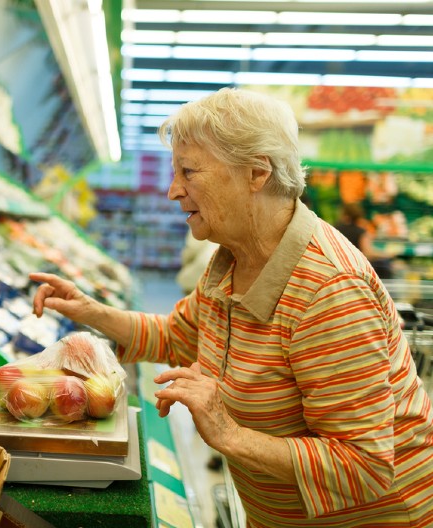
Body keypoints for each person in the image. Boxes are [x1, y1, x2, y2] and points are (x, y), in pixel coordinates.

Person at [29, 88, 433, 527]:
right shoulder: (232, 261)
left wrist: (229, 434)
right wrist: (90, 310)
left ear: (256, 173)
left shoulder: (327, 292)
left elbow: (366, 466)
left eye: (189, 172)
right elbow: (179, 336)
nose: (172, 191)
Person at [334, 202, 394, 279]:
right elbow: (368, 253)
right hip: (356, 272)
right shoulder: (361, 232)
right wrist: (387, 254)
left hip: (339, 269)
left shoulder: (334, 229)